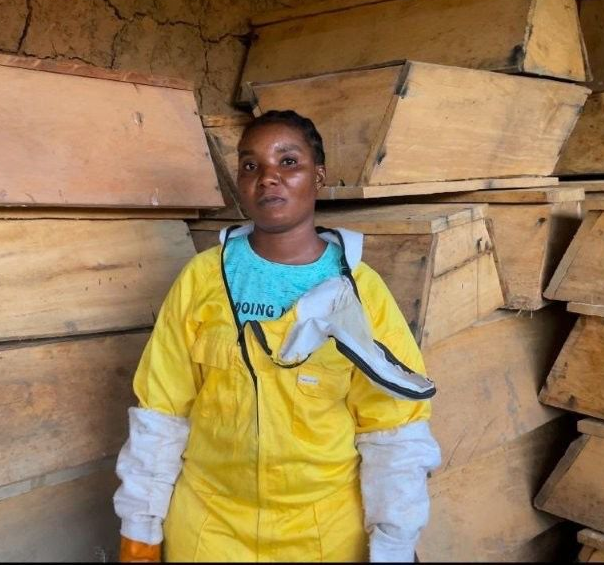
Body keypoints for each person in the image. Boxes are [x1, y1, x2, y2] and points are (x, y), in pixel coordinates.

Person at [113, 110, 441, 563]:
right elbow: (161, 411)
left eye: (288, 162)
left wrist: (394, 543)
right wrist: (140, 529)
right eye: (251, 166)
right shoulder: (203, 278)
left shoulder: (360, 290)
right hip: (209, 526)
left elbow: (394, 428)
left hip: (323, 532)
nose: (268, 178)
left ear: (318, 176)